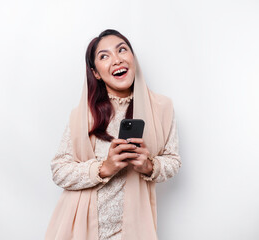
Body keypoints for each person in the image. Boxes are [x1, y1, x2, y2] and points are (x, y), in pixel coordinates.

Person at [45, 29, 181, 240]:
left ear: (133, 58)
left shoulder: (162, 107)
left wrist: (148, 165)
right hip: (80, 228)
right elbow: (59, 170)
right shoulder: (82, 115)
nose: (116, 60)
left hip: (133, 229)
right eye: (104, 56)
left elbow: (173, 160)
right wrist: (104, 167)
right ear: (96, 73)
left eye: (122, 50)